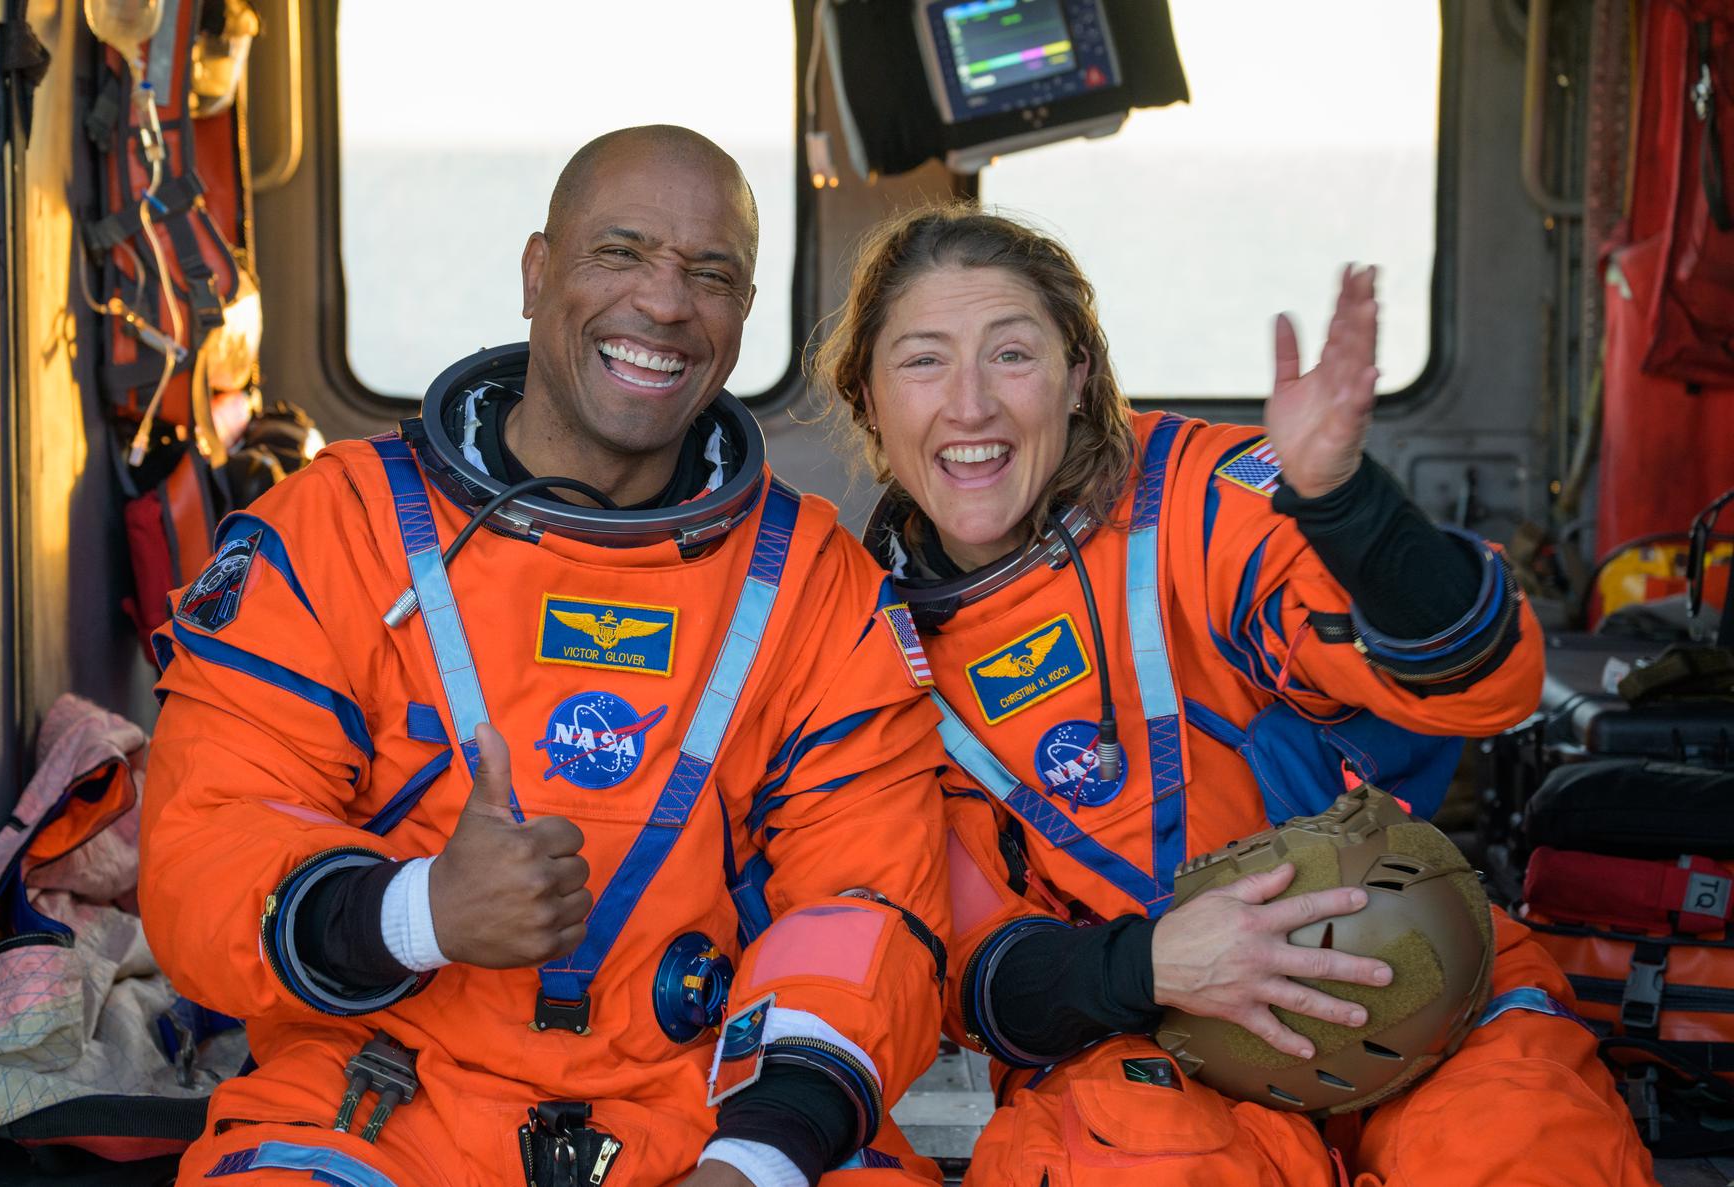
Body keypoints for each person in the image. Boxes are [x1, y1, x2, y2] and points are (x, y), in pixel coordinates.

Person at [138, 126, 952, 1187]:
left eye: (711, 274)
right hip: (382, 1099)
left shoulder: (815, 586)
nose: (665, 303)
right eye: (621, 252)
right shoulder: (338, 530)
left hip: (701, 1108)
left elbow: (866, 911)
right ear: (535, 271)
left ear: (744, 316)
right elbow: (206, 849)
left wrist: (755, 1159)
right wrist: (420, 909)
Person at [816, 204, 1656, 1186]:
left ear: (1078, 377)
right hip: (1146, 1035)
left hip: (1405, 960)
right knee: (1143, 1156)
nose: (971, 406)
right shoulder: (867, 648)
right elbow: (974, 974)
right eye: (923, 361)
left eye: (1012, 354)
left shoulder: (1200, 500)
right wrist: (1152, 966)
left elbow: (1483, 680)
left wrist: (1346, 506)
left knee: (1524, 1142)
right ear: (868, 396)